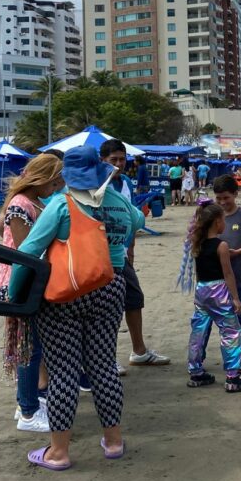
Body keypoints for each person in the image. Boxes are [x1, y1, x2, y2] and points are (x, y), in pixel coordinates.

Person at [13, 145, 145, 470]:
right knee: (102, 365)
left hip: (66, 292)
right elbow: (139, 219)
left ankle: (58, 452)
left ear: (67, 176)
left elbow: (28, 253)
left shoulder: (61, 204)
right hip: (110, 287)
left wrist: (16, 296)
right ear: (100, 171)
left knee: (63, 371)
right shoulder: (116, 200)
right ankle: (113, 442)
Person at [0, 153, 65, 433]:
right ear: (43, 177)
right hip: (19, 283)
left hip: (27, 282)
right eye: (55, 180)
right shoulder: (21, 205)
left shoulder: (33, 202)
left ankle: (29, 401)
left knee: (33, 347)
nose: (57, 186)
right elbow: (27, 251)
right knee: (29, 349)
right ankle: (28, 410)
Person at [99, 139, 170, 370]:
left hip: (121, 252)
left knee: (134, 299)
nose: (119, 164)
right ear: (103, 161)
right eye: (113, 160)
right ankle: (104, 359)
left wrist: (131, 248)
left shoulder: (126, 183)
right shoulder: (97, 186)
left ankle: (139, 350)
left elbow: (131, 219)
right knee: (105, 308)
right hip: (99, 255)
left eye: (122, 158)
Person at [185, 202, 241, 392]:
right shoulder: (222, 246)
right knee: (231, 331)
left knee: (198, 330)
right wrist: (235, 298)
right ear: (217, 223)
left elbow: (199, 273)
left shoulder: (197, 244)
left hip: (202, 290)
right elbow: (228, 274)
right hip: (219, 291)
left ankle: (195, 370)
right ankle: (233, 376)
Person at [200, 175, 241, 370]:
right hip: (211, 280)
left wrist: (237, 252)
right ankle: (199, 356)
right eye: (219, 198)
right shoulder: (211, 216)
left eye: (226, 197)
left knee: (240, 316)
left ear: (235, 194)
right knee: (205, 320)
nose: (223, 202)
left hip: (237, 277)